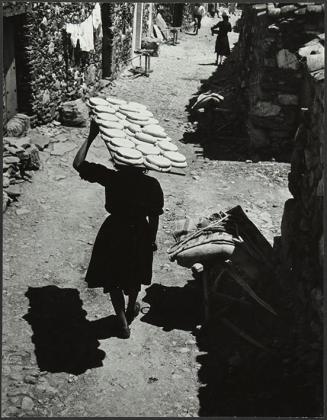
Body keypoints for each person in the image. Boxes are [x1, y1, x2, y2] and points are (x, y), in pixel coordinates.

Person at [73, 119, 164, 339]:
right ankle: (132, 305)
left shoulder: (111, 178)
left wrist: (92, 135)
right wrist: (151, 239)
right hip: (140, 231)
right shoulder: (152, 185)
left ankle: (122, 321)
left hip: (114, 231)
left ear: (118, 160)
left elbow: (78, 163)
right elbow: (154, 217)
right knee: (134, 273)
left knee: (113, 276)